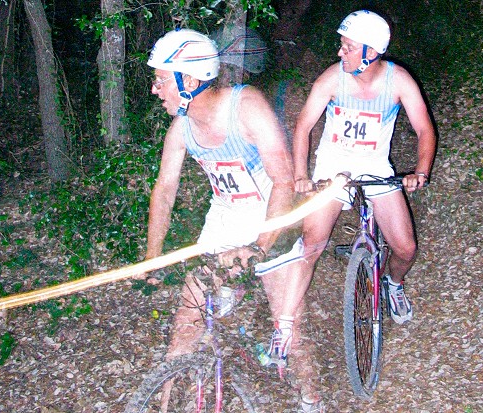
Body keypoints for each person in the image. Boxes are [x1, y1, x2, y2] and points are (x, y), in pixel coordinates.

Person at [143, 28, 322, 412]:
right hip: (224, 222)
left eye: (161, 81)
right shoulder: (182, 128)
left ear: (189, 81)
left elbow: (283, 181)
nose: (155, 90)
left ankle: (312, 399)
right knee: (186, 324)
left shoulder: (246, 108)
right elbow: (165, 190)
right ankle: (163, 403)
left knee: (289, 327)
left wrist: (259, 247)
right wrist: (152, 258)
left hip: (271, 218)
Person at [265, 9, 437, 366]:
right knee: (312, 243)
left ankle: (393, 283)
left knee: (405, 248)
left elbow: (424, 129)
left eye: (348, 47)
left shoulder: (398, 81)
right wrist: (302, 174)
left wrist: (420, 171)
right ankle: (283, 326)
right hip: (333, 165)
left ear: (370, 52)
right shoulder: (333, 78)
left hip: (375, 167)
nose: (340, 52)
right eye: (341, 45)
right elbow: (304, 126)